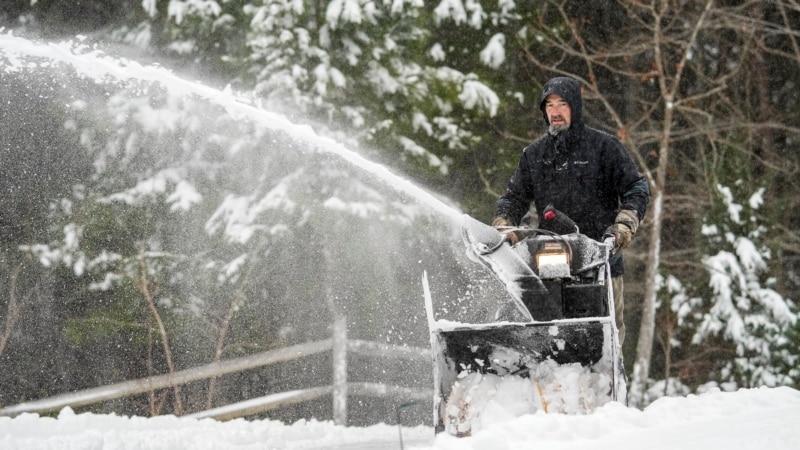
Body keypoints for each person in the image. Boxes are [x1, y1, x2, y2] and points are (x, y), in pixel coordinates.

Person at [492, 76, 650, 344]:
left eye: (562, 104)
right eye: (549, 105)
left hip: (601, 258)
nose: (555, 111)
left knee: (607, 338)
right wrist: (505, 227)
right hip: (550, 261)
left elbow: (636, 187)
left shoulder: (603, 147)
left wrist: (623, 226)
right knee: (543, 334)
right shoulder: (535, 155)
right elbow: (514, 198)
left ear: (575, 106)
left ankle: (608, 382)